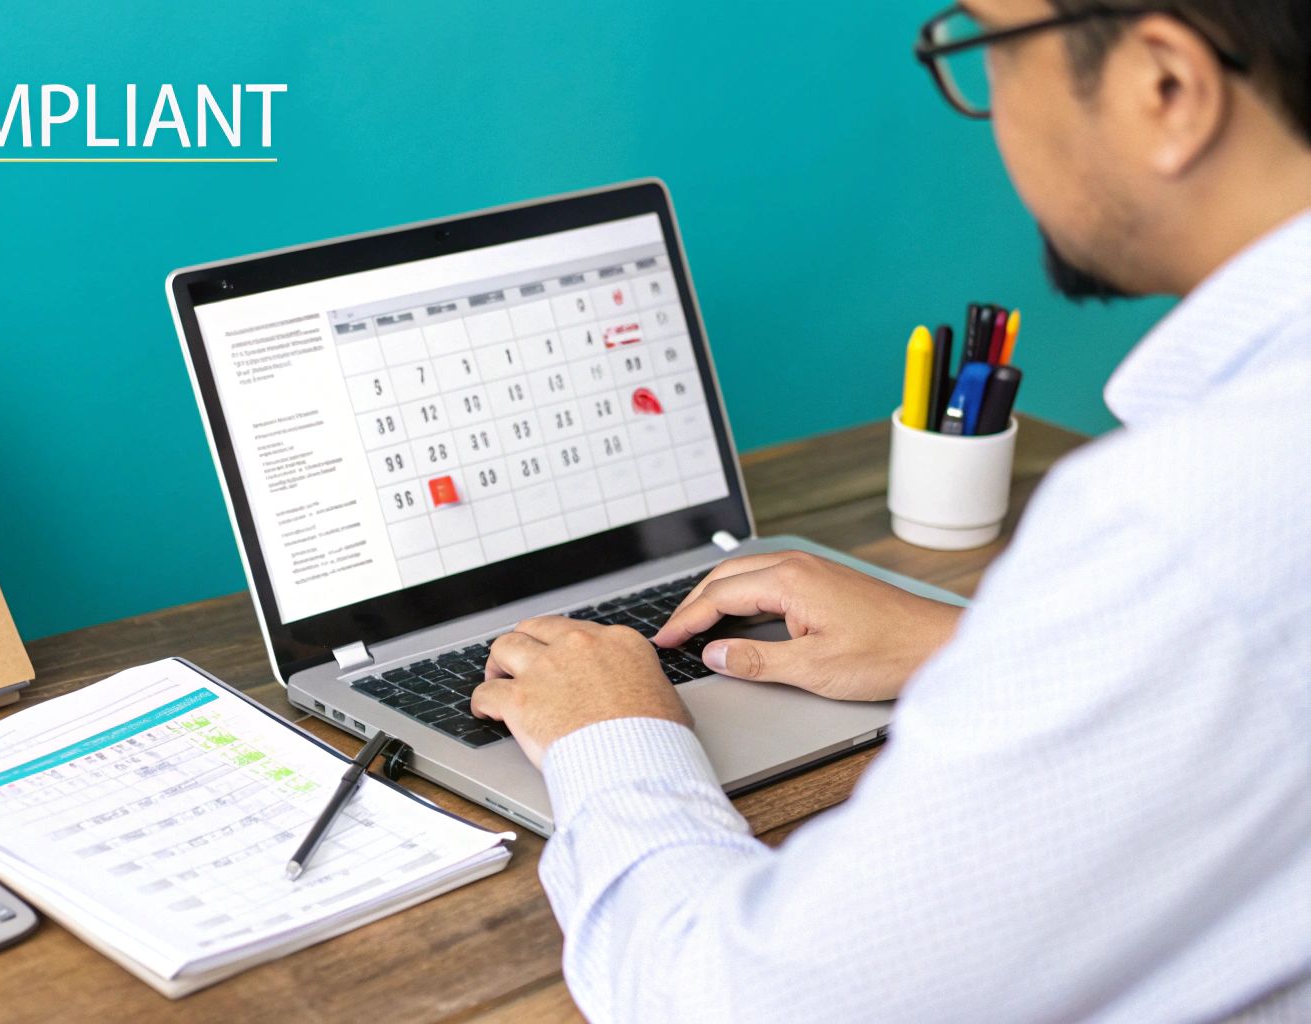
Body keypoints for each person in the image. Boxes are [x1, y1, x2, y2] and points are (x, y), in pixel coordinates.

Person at [468, 1, 1311, 1019]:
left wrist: (608, 730)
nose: (989, 111)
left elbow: (727, 1002)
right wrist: (973, 646)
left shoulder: (1184, 522)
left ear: (1163, 87)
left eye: (987, 49)